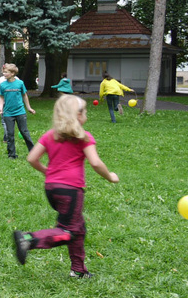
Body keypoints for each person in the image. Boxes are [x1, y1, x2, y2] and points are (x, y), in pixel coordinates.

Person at [13, 95, 119, 278]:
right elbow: (95, 163)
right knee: (68, 231)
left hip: (51, 189)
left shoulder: (50, 135)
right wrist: (110, 176)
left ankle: (78, 270)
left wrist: (47, 171)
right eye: (85, 112)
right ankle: (29, 239)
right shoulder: (83, 137)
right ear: (78, 115)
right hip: (71, 191)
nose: (86, 115)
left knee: (78, 228)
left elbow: (32, 158)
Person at [0, 63, 36, 159]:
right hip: (8, 113)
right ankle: (12, 154)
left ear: (12, 73)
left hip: (20, 112)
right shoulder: (3, 85)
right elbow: (1, 97)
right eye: (3, 72)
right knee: (9, 134)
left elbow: (24, 95)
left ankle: (33, 152)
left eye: (6, 72)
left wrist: (29, 108)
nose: (4, 74)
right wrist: (0, 107)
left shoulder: (20, 83)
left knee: (24, 132)